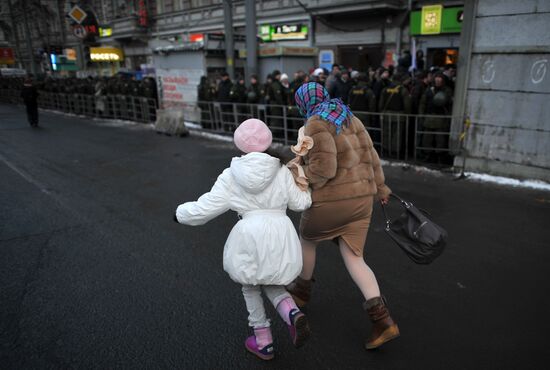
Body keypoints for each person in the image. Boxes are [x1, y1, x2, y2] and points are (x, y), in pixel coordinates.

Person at [174, 119, 312, 361]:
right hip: (280, 232)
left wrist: (179, 214)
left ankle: (263, 341)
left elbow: (206, 208)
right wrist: (304, 185)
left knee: (250, 284)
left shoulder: (231, 175)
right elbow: (301, 204)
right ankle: (291, 313)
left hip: (249, 235)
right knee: (272, 281)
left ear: (239, 144)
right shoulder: (282, 170)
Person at [287, 82, 400, 351]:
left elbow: (324, 169)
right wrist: (382, 188)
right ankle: (383, 320)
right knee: (355, 257)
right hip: (362, 202)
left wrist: (298, 176)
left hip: (331, 202)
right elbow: (372, 158)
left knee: (307, 239)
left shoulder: (315, 123)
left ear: (303, 102)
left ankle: (301, 292)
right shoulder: (350, 116)